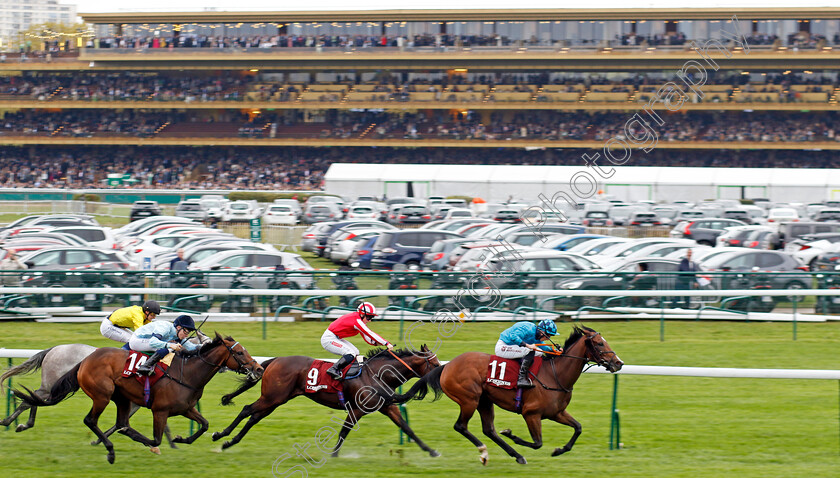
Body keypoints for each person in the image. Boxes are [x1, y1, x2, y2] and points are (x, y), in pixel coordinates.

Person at [321, 302, 393, 379]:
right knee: (350, 353)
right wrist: (386, 343)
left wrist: (379, 344)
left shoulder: (358, 320)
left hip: (336, 338)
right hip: (328, 339)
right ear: (362, 314)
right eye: (369, 317)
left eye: (372, 318)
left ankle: (350, 372)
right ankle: (333, 369)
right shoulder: (357, 320)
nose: (370, 320)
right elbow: (370, 333)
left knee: (356, 352)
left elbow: (368, 339)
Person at [495, 319, 559, 388]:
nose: (548, 338)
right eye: (548, 336)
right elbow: (513, 336)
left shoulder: (537, 335)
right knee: (530, 350)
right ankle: (521, 379)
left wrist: (556, 352)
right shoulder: (527, 328)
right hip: (503, 347)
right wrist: (528, 345)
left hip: (513, 347)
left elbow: (545, 349)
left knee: (539, 352)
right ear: (542, 332)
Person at [132, 314, 200, 375]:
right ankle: (145, 366)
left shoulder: (177, 334)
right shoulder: (165, 328)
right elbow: (153, 342)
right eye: (186, 332)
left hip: (146, 341)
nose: (186, 335)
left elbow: (191, 347)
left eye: (188, 333)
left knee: (170, 346)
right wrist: (170, 345)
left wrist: (207, 346)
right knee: (169, 347)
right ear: (178, 327)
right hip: (136, 340)